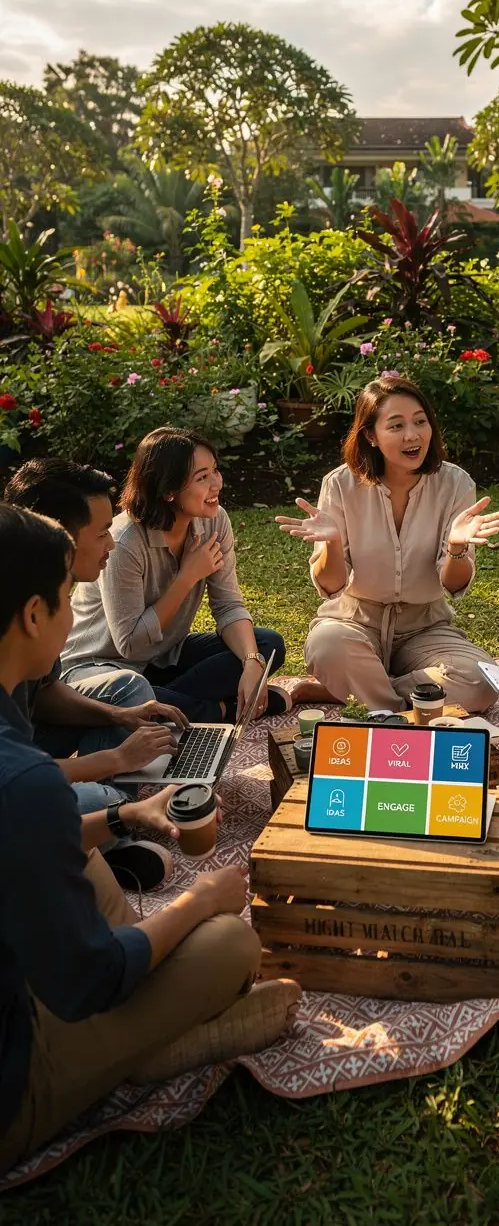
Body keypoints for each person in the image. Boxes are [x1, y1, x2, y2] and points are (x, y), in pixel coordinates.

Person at [0, 503, 300, 1176]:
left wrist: (123, 819)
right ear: (33, 615)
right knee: (232, 942)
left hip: (25, 971)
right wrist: (200, 901)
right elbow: (93, 980)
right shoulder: (25, 780)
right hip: (15, 1077)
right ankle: (151, 1047)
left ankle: (137, 1032)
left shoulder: (18, 758)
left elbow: (23, 842)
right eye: (65, 598)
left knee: (83, 849)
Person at [4, 458, 189, 889]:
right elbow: (16, 776)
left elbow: (44, 693)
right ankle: (108, 830)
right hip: (17, 783)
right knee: (84, 799)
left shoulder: (35, 601)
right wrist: (115, 760)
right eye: (103, 532)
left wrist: (116, 716)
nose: (112, 544)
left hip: (27, 755)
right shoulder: (29, 614)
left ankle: (103, 832)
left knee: (127, 689)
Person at [276, 375, 499, 713]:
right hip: (355, 623)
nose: (412, 435)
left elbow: (452, 584)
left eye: (420, 422)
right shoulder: (340, 485)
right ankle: (402, 702)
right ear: (370, 435)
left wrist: (457, 547)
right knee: (327, 645)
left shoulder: (455, 483)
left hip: (425, 628)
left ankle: (359, 692)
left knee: (480, 682)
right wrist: (332, 544)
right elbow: (331, 586)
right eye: (397, 425)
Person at [62, 427, 289, 724]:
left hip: (163, 658)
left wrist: (251, 662)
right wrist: (187, 577)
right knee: (132, 691)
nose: (216, 483)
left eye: (215, 470)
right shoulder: (123, 542)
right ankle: (218, 710)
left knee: (268, 644)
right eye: (202, 477)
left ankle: (166, 705)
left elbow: (228, 606)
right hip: (102, 668)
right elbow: (130, 645)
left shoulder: (214, 522)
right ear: (168, 490)